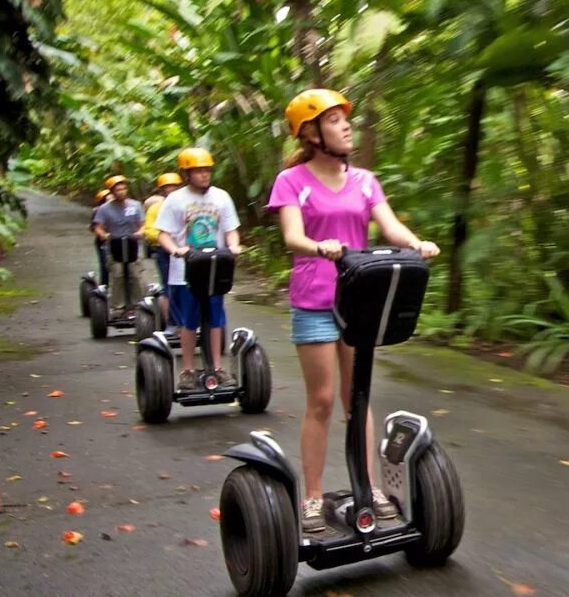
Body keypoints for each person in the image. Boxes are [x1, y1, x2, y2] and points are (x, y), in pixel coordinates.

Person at [268, 88, 439, 533]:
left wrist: (415, 242)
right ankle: (312, 497)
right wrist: (318, 246)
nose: (346, 126)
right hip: (314, 299)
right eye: (334, 120)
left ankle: (370, 489)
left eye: (346, 120)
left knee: (357, 397)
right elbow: (292, 235)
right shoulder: (293, 181)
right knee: (322, 400)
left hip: (359, 298)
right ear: (311, 132)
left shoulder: (365, 180)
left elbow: (390, 223)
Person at [154, 148, 242, 390]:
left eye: (207, 170)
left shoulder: (222, 197)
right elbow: (164, 234)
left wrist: (234, 245)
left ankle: (217, 366)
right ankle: (188, 370)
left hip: (215, 268)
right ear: (186, 174)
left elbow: (231, 229)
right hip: (185, 271)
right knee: (189, 320)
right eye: (198, 171)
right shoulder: (175, 200)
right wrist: (175, 250)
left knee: (216, 318)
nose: (204, 175)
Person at [92, 176, 145, 315]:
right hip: (114, 245)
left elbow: (143, 225)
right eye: (118, 190)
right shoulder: (104, 209)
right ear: (112, 192)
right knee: (118, 274)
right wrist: (104, 235)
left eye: (123, 189)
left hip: (132, 244)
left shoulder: (135, 205)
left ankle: (138, 304)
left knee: (135, 274)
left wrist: (140, 232)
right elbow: (98, 226)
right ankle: (118, 306)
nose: (121, 192)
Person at [143, 172, 181, 325]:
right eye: (167, 187)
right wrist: (165, 237)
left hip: (185, 250)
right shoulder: (155, 209)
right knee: (168, 286)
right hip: (164, 252)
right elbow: (149, 231)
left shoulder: (186, 205)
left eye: (173, 187)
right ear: (161, 190)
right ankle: (170, 323)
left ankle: (196, 322)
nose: (170, 190)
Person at [90, 187, 112, 287]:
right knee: (105, 264)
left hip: (119, 240)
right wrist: (103, 234)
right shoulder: (97, 211)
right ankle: (104, 285)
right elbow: (94, 227)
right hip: (103, 242)